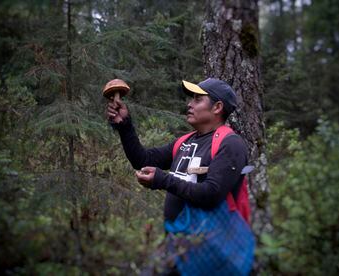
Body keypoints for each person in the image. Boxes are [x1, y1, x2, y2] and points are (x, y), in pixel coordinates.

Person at [106, 78, 249, 274]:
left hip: (210, 247)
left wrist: (163, 180)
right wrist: (124, 125)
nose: (189, 104)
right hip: (178, 243)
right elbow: (143, 159)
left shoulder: (230, 144)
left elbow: (211, 194)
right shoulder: (184, 142)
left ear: (217, 107)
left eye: (198, 100)